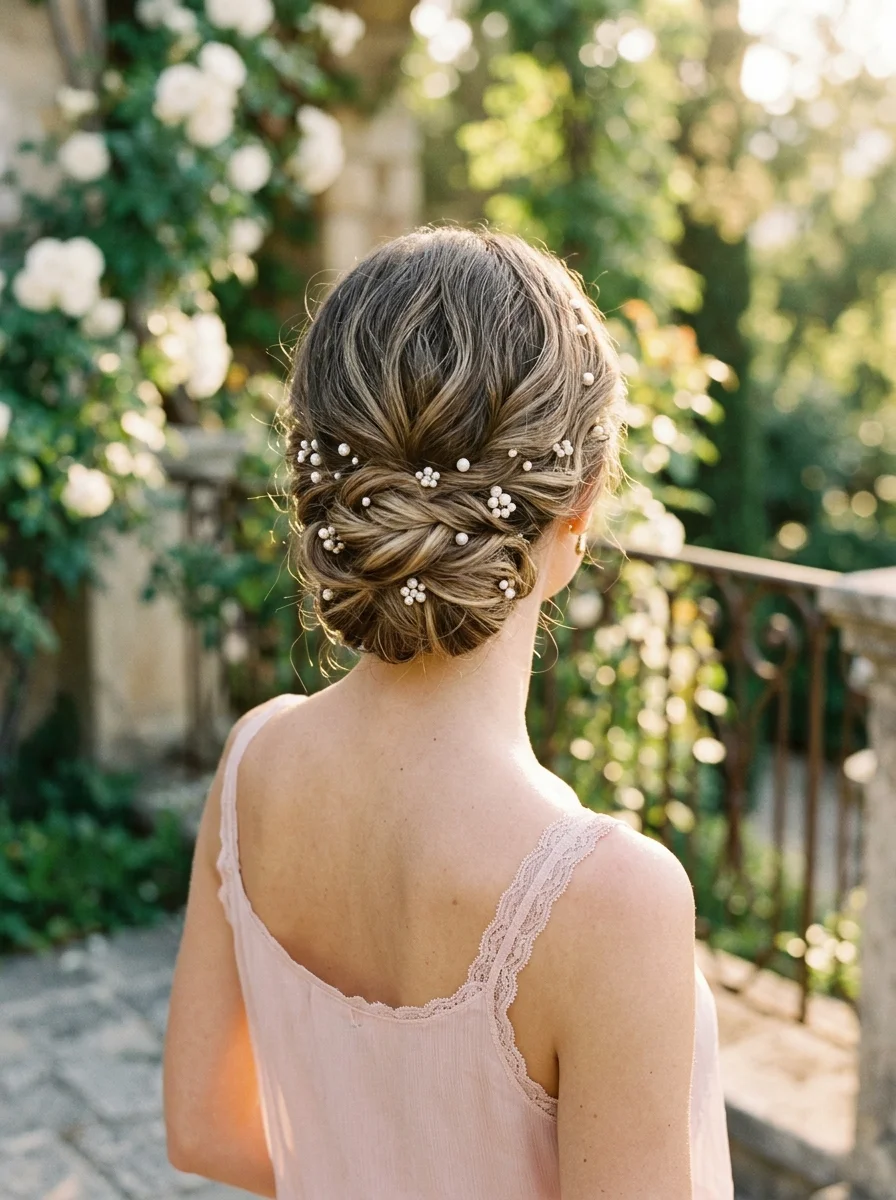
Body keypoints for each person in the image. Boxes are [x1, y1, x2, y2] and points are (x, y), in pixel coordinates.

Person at [163, 226, 734, 1199]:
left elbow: (204, 1128)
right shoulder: (611, 900)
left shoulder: (253, 761)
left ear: (319, 488)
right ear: (581, 509)